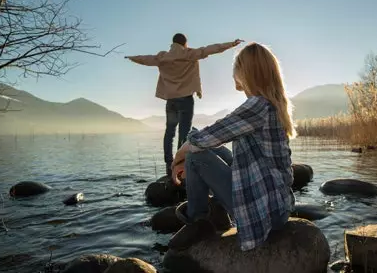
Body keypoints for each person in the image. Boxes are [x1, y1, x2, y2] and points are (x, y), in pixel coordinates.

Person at [168, 42, 296, 252]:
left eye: (237, 69)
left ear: (246, 73)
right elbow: (215, 135)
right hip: (278, 204)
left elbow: (207, 136)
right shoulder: (272, 104)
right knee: (207, 146)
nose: (234, 76)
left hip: (265, 211)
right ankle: (214, 211)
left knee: (195, 156)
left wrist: (177, 159)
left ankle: (197, 220)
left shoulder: (258, 105)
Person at [125, 33, 243, 176]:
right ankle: (181, 165)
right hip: (186, 100)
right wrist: (231, 44)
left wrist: (132, 58)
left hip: (171, 101)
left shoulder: (163, 57)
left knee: (169, 132)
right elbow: (211, 49)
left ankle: (169, 165)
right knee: (184, 133)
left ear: (173, 43)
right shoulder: (189, 54)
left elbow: (145, 59)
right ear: (185, 43)